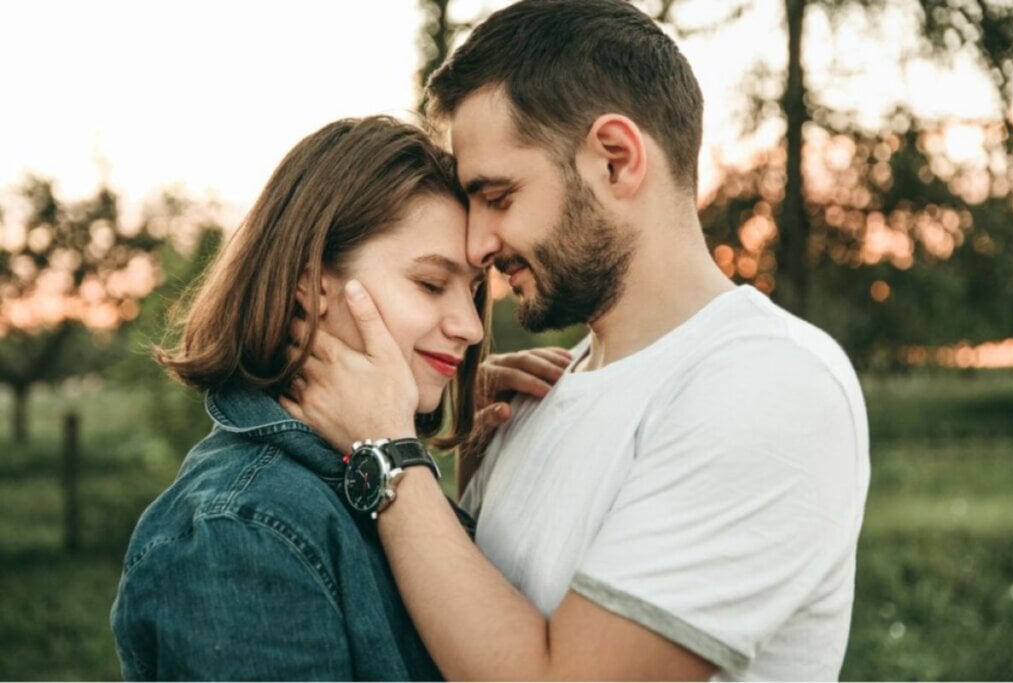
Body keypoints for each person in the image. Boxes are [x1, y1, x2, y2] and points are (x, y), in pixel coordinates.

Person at [285, 0, 871, 680]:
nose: (478, 245)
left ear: (615, 161)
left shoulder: (769, 386)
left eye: (498, 196)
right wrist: (458, 472)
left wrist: (389, 457)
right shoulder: (537, 398)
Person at [110, 115, 566, 681]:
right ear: (310, 286)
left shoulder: (362, 474)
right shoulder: (240, 531)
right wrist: (392, 451)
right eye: (429, 284)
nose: (472, 328)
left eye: (475, 291)